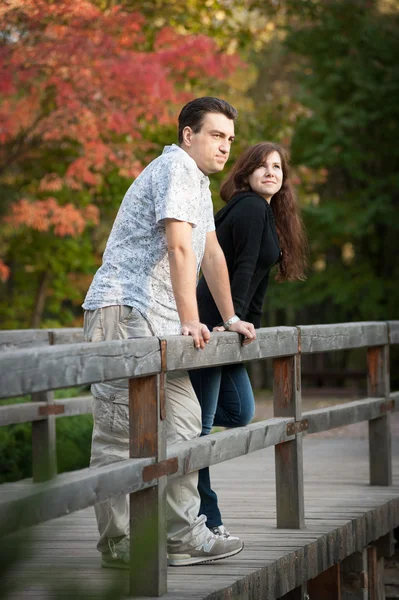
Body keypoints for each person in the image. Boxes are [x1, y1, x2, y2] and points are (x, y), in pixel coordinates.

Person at [82, 97, 257, 569]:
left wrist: (231, 315)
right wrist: (189, 318)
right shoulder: (175, 168)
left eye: (229, 139)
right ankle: (119, 543)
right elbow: (180, 247)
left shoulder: (196, 180)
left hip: (157, 319)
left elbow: (210, 252)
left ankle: (182, 537)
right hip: (124, 307)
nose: (225, 147)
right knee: (122, 433)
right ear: (188, 134)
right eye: (216, 135)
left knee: (182, 423)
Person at [189, 141, 307, 537]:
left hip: (226, 324)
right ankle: (206, 519)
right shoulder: (252, 207)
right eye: (262, 165)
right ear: (245, 172)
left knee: (238, 411)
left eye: (277, 167)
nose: (271, 171)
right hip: (210, 326)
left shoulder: (262, 212)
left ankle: (176, 429)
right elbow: (238, 268)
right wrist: (231, 318)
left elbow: (255, 280)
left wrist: (246, 325)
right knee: (199, 432)